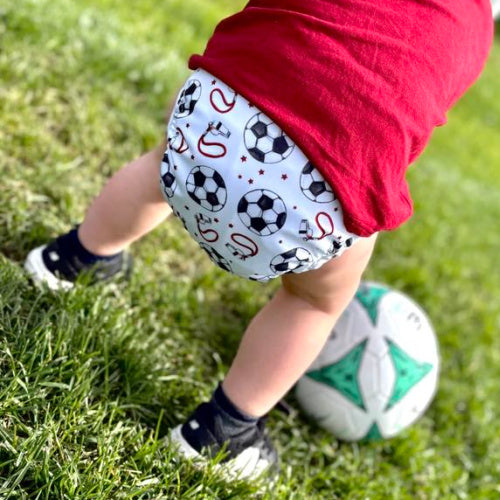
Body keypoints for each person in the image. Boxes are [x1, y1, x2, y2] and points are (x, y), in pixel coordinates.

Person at [24, 0, 494, 481]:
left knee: (159, 162)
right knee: (315, 301)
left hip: (217, 112)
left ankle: (71, 259)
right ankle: (223, 431)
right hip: (314, 201)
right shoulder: (473, 27)